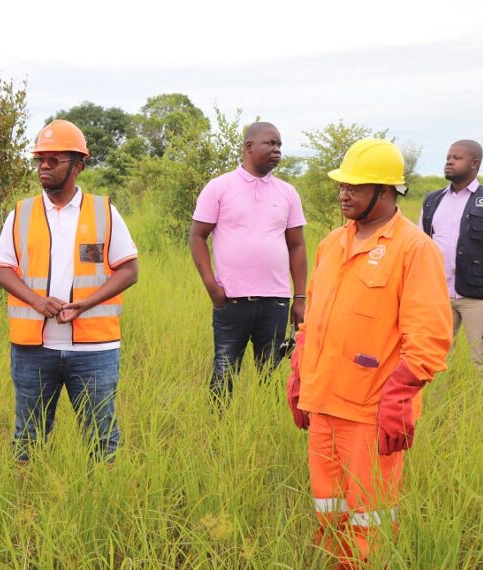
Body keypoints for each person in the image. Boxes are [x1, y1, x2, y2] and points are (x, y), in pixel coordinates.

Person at [286, 139, 452, 565]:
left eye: (355, 187)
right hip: (323, 403)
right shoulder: (330, 244)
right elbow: (313, 321)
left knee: (370, 517)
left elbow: (430, 337)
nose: (344, 193)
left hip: (370, 412)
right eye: (342, 185)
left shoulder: (414, 250)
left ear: (386, 191)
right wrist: (299, 374)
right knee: (329, 508)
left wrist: (398, 399)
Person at [0, 119, 138, 463]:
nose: (44, 166)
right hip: (33, 349)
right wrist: (36, 301)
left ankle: (103, 504)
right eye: (40, 159)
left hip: (94, 349)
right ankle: (26, 507)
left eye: (54, 160)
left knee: (102, 439)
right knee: (27, 438)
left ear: (78, 165)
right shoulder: (21, 213)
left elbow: (129, 271)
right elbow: (0, 268)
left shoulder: (105, 212)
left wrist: (86, 303)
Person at [189, 121, 307, 403]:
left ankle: (262, 428)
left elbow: (298, 245)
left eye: (279, 144)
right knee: (224, 371)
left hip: (276, 301)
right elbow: (197, 237)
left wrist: (300, 297)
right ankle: (218, 431)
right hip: (231, 300)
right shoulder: (219, 187)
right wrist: (211, 286)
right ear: (248, 146)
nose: (277, 150)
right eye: (270, 143)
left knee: (271, 374)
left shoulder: (287, 192)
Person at [420, 140, 483, 419]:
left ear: (474, 163)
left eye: (457, 158)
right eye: (448, 157)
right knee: (432, 359)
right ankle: (431, 417)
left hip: (479, 296)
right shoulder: (432, 200)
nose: (449, 162)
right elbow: (420, 247)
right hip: (438, 295)